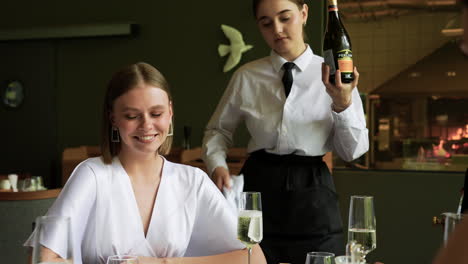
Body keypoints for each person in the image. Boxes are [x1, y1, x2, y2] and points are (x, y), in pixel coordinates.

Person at [24, 62, 266, 264]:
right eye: (132, 116)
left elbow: (253, 257)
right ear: (113, 118)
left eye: (156, 114)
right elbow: (40, 259)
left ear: (170, 112)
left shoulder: (192, 181)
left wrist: (164, 263)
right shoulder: (92, 175)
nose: (147, 125)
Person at [201, 0, 368, 263]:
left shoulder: (334, 73)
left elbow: (353, 151)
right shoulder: (247, 76)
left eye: (284, 18)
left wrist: (342, 104)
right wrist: (217, 165)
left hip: (313, 190)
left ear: (303, 14)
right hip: (258, 188)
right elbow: (217, 131)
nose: (276, 29)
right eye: (266, 23)